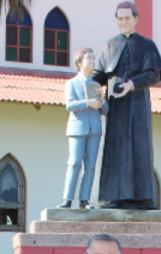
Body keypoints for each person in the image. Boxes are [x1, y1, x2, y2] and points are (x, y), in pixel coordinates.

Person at [91, 1, 161, 210]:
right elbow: (99, 75)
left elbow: (154, 73)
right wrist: (91, 87)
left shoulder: (147, 45)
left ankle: (141, 198)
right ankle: (111, 197)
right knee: (113, 147)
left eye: (127, 18)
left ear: (136, 19)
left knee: (139, 147)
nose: (123, 22)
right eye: (120, 18)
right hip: (114, 105)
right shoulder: (108, 45)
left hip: (138, 103)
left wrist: (132, 84)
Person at [59, 47, 109, 209]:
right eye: (89, 58)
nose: (92, 61)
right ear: (79, 62)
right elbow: (69, 105)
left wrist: (102, 99)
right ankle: (67, 199)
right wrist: (88, 103)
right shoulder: (72, 83)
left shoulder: (96, 85)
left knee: (90, 166)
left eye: (94, 58)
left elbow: (105, 110)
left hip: (94, 128)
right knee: (74, 163)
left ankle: (84, 200)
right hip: (77, 128)